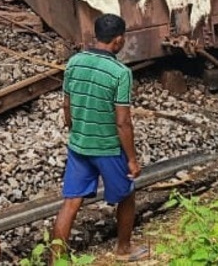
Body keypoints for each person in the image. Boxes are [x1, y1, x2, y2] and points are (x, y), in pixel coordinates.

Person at [52, 14, 148, 264]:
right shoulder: (120, 72)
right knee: (127, 194)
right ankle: (124, 249)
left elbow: (66, 105)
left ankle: (56, 260)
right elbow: (123, 122)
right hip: (106, 147)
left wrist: (75, 130)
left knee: (71, 202)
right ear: (118, 41)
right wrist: (132, 159)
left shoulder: (74, 62)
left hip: (79, 146)